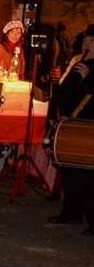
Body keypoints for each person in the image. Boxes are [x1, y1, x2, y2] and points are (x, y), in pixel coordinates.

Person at [47, 25, 94, 234]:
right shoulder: (79, 61)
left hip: (87, 127)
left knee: (88, 177)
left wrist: (89, 80)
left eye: (92, 40)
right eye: (86, 38)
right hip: (70, 122)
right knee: (70, 171)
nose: (87, 43)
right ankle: (71, 212)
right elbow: (65, 90)